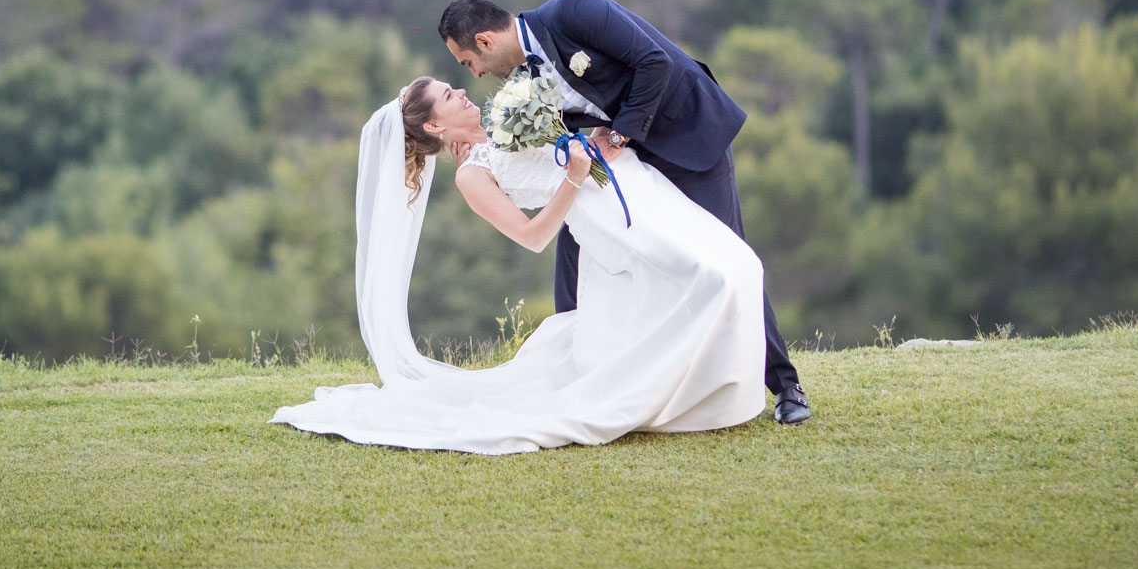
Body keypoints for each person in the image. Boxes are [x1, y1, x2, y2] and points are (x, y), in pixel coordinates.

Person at [269, 77, 766, 455]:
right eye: (447, 94)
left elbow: (582, 139)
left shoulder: (514, 108)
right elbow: (532, 237)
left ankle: (723, 390)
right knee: (712, 279)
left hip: (634, 186)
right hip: (604, 218)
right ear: (435, 126)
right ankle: (706, 400)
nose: (461, 89)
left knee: (739, 264)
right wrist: (573, 177)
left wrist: (601, 144)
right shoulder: (472, 174)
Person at [438, 0, 811, 425]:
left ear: (484, 42)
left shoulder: (573, 12)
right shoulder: (520, 84)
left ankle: (786, 385)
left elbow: (655, 63)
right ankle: (582, 376)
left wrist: (616, 138)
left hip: (685, 133)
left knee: (726, 255)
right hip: (626, 167)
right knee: (575, 254)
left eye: (468, 63)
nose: (477, 73)